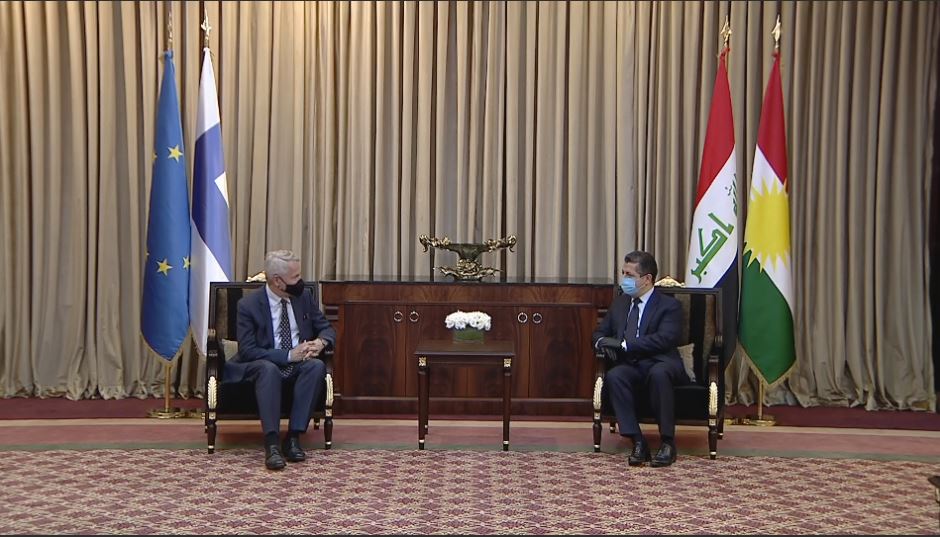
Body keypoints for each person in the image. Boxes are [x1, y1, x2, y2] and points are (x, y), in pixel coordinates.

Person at [230, 249, 336, 470]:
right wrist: (288, 355)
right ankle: (272, 444)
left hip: (299, 364)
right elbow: (247, 350)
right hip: (263, 363)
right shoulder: (248, 305)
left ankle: (293, 438)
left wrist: (321, 342)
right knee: (268, 370)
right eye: (295, 277)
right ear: (277, 281)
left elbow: (326, 328)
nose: (300, 281)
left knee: (315, 366)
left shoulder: (303, 298)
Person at [591, 250, 688, 467]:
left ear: (647, 279)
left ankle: (667, 443)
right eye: (623, 273)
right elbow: (599, 332)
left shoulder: (669, 306)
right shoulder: (620, 303)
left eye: (629, 275)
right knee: (615, 376)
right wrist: (603, 343)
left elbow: (664, 339)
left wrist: (624, 345)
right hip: (631, 364)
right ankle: (637, 441)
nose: (624, 279)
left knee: (659, 374)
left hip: (660, 361)